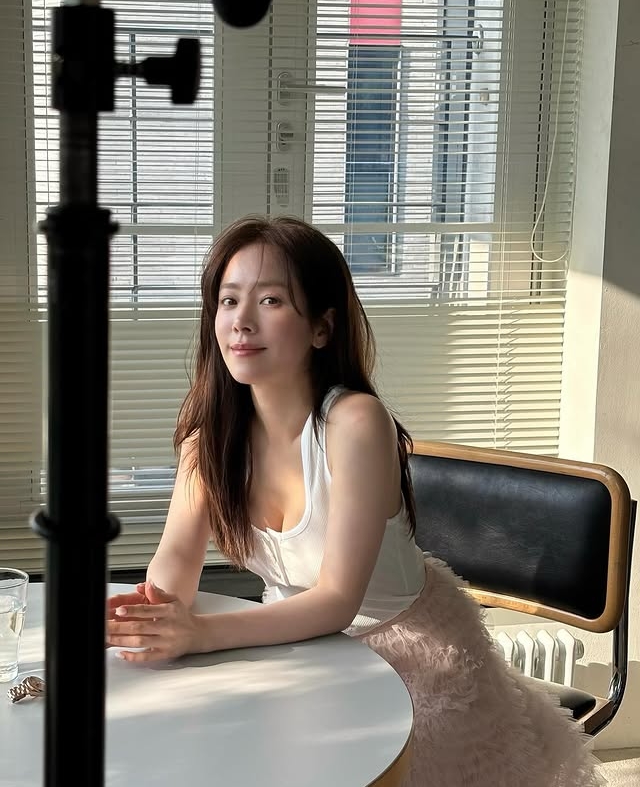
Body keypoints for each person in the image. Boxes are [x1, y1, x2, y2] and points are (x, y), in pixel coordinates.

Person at [106, 215, 602, 787]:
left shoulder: (354, 422)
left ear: (322, 327)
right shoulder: (210, 441)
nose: (240, 321)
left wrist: (197, 633)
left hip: (413, 661)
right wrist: (146, 615)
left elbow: (338, 601)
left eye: (270, 300)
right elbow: (174, 563)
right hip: (301, 648)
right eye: (228, 300)